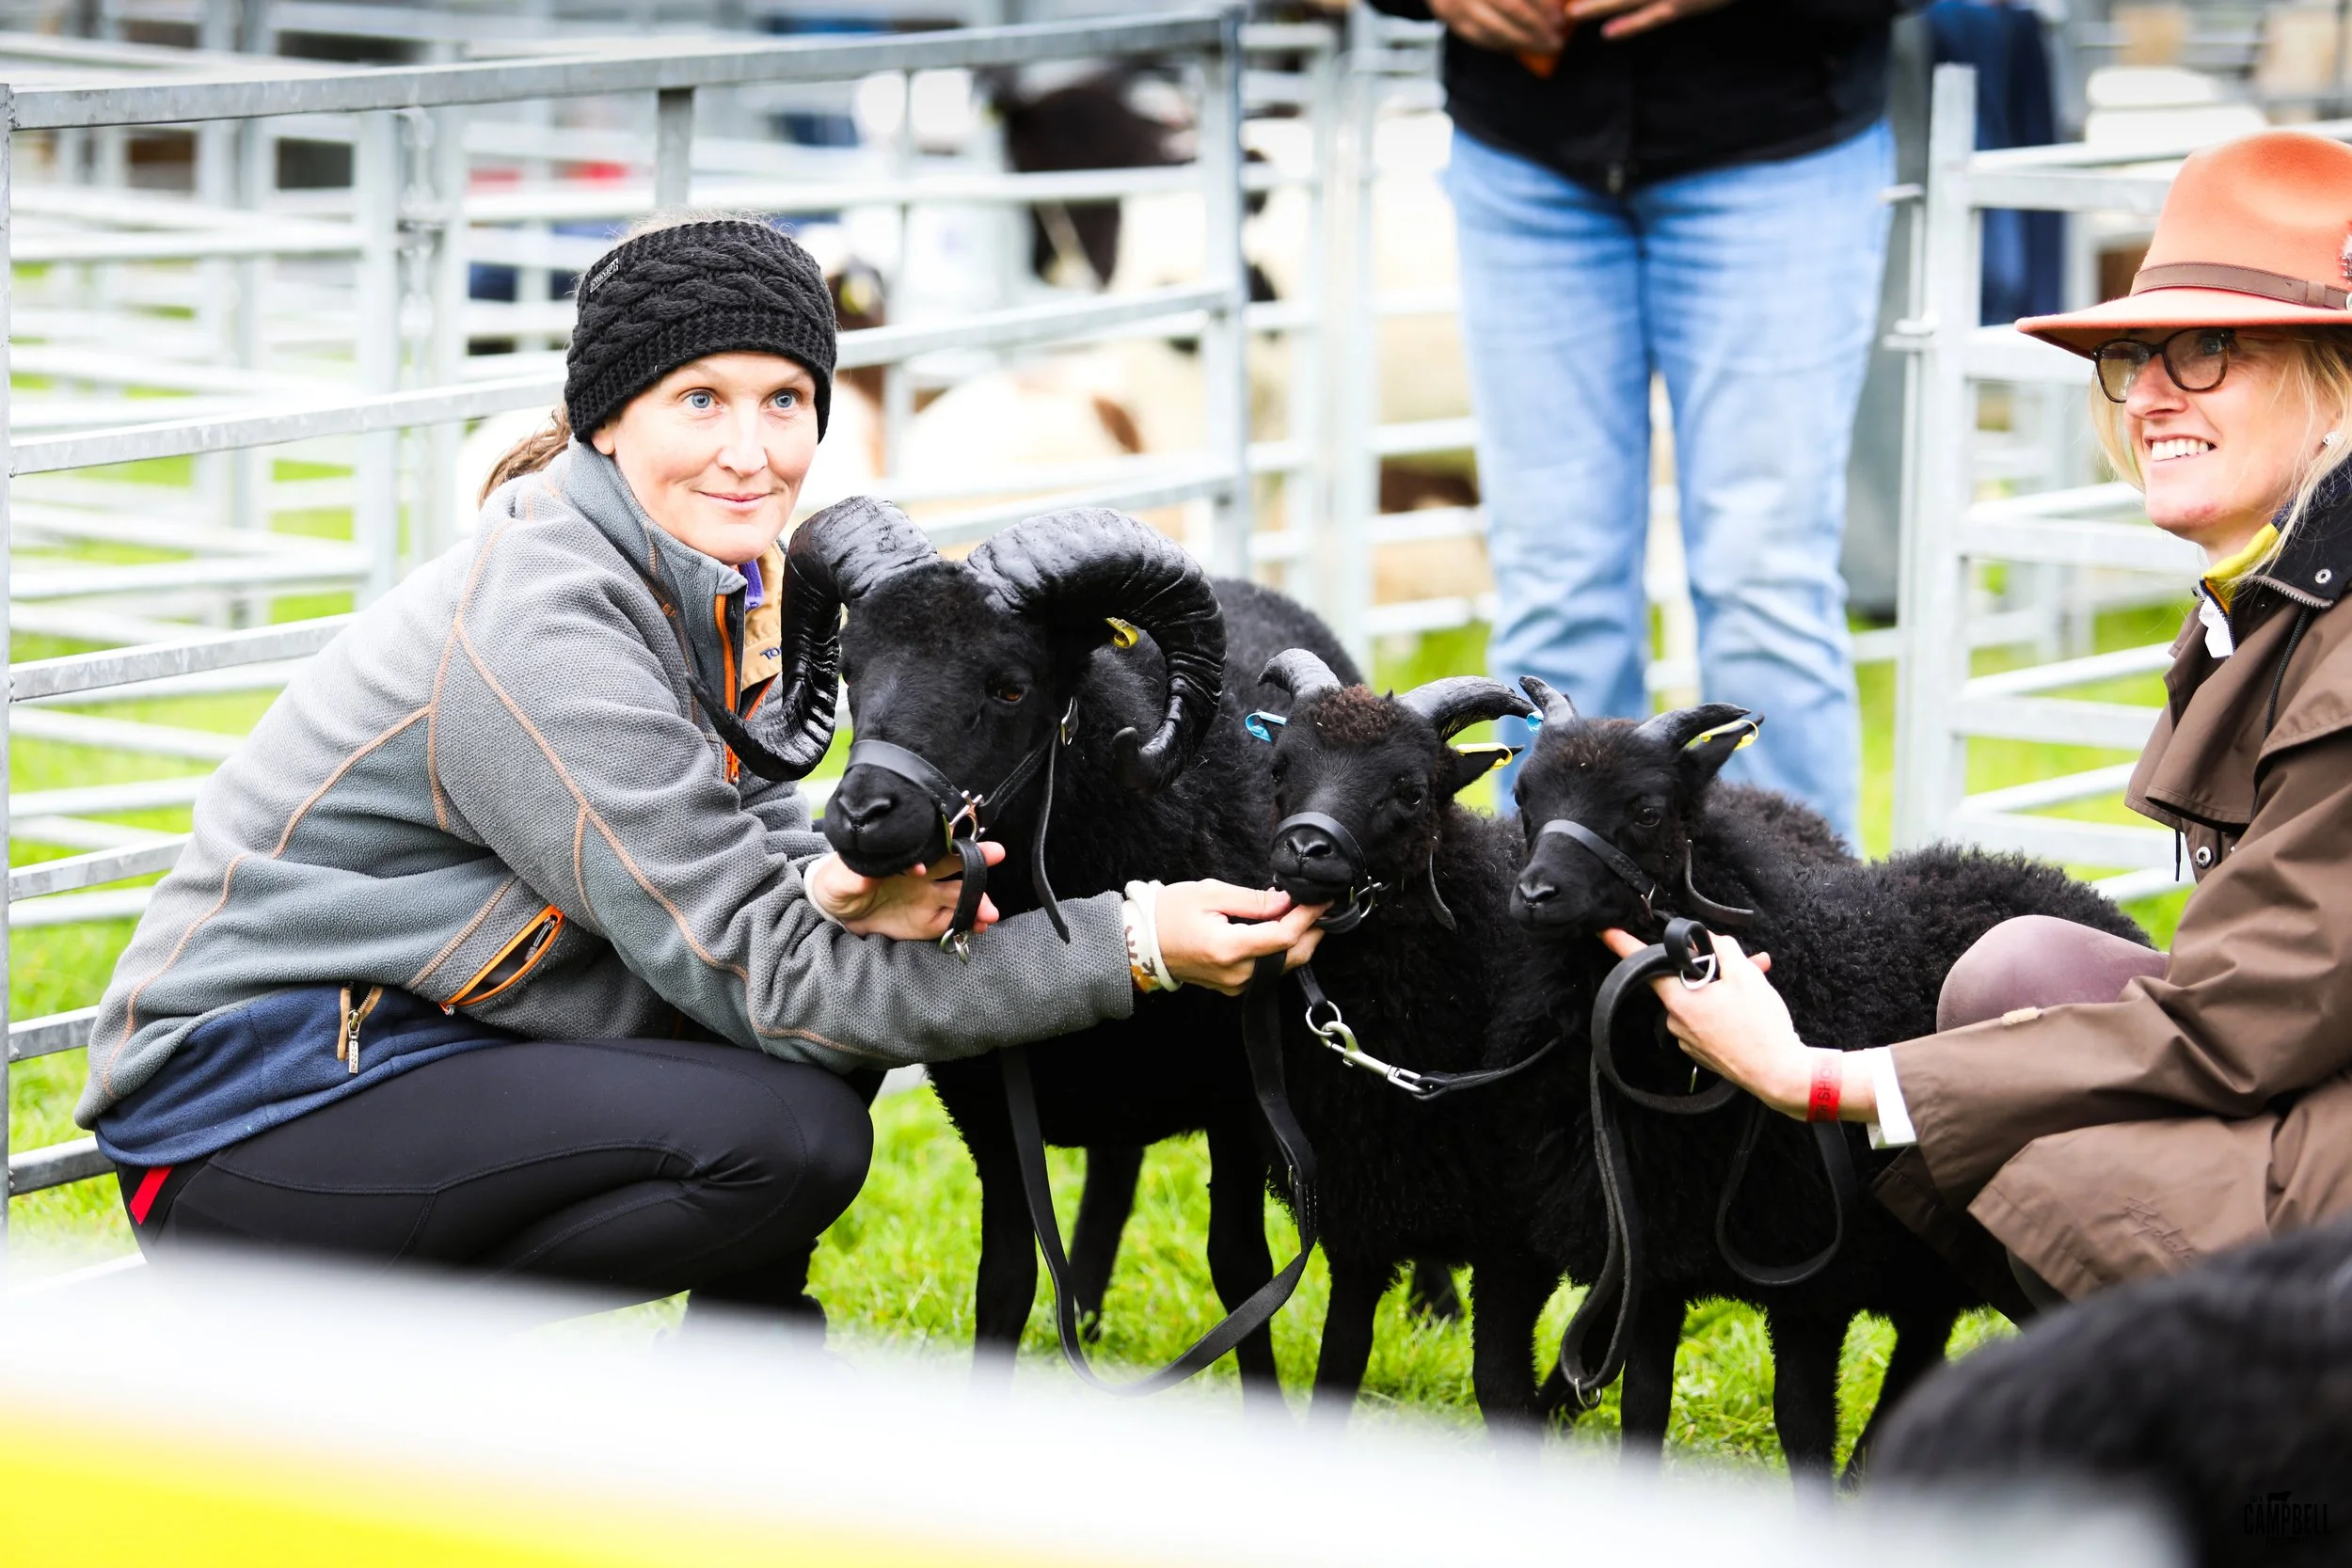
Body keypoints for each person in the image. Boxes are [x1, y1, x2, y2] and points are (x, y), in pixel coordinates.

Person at [75, 214, 1323, 1323]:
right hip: (254, 1104)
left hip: (429, 1032)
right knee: (782, 1133)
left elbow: (767, 868)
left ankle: (736, 1373)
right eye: (700, 400)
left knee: (808, 1074)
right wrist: (1137, 941)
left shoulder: (705, 580)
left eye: (785, 399)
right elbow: (774, 977)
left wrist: (840, 888)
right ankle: (334, 1363)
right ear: (609, 416)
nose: (751, 450)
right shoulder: (545, 625)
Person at [1605, 131, 2352, 1307]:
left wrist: (1812, 1075)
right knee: (2020, 971)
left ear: (2334, 379)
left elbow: (2234, 1026)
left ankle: (2237, 1404)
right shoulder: (2284, 592)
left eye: (2210, 349)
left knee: (2029, 1150)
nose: (2151, 393)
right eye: (2135, 355)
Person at [1368, 0, 1904, 845]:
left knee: (1764, 581)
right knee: (1556, 591)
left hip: (1777, 139)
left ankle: (1798, 909)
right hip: (1528, 149)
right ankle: (1545, 906)